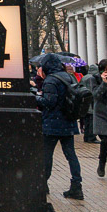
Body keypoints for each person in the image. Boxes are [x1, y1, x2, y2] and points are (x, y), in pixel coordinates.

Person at [37, 54, 83, 200]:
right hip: (68, 121)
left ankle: (43, 184)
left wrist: (36, 97)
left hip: (52, 123)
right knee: (71, 155)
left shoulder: (51, 80)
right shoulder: (69, 77)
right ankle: (77, 186)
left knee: (46, 155)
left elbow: (49, 102)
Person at [79, 64, 101, 143]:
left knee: (87, 121)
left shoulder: (84, 77)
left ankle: (87, 136)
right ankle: (91, 137)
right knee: (92, 121)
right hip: (90, 102)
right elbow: (93, 91)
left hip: (84, 102)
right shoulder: (92, 78)